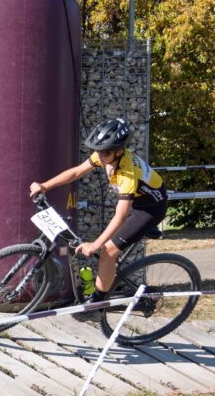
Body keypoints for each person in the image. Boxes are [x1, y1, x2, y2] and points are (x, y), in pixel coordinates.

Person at [29, 118, 167, 312]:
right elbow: (77, 172)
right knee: (107, 253)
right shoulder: (106, 155)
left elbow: (121, 215)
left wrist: (96, 244)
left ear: (119, 151)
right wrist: (45, 186)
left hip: (150, 209)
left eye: (106, 152)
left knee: (107, 251)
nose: (101, 156)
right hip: (138, 201)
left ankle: (96, 307)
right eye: (99, 151)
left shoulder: (127, 172)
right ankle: (106, 288)